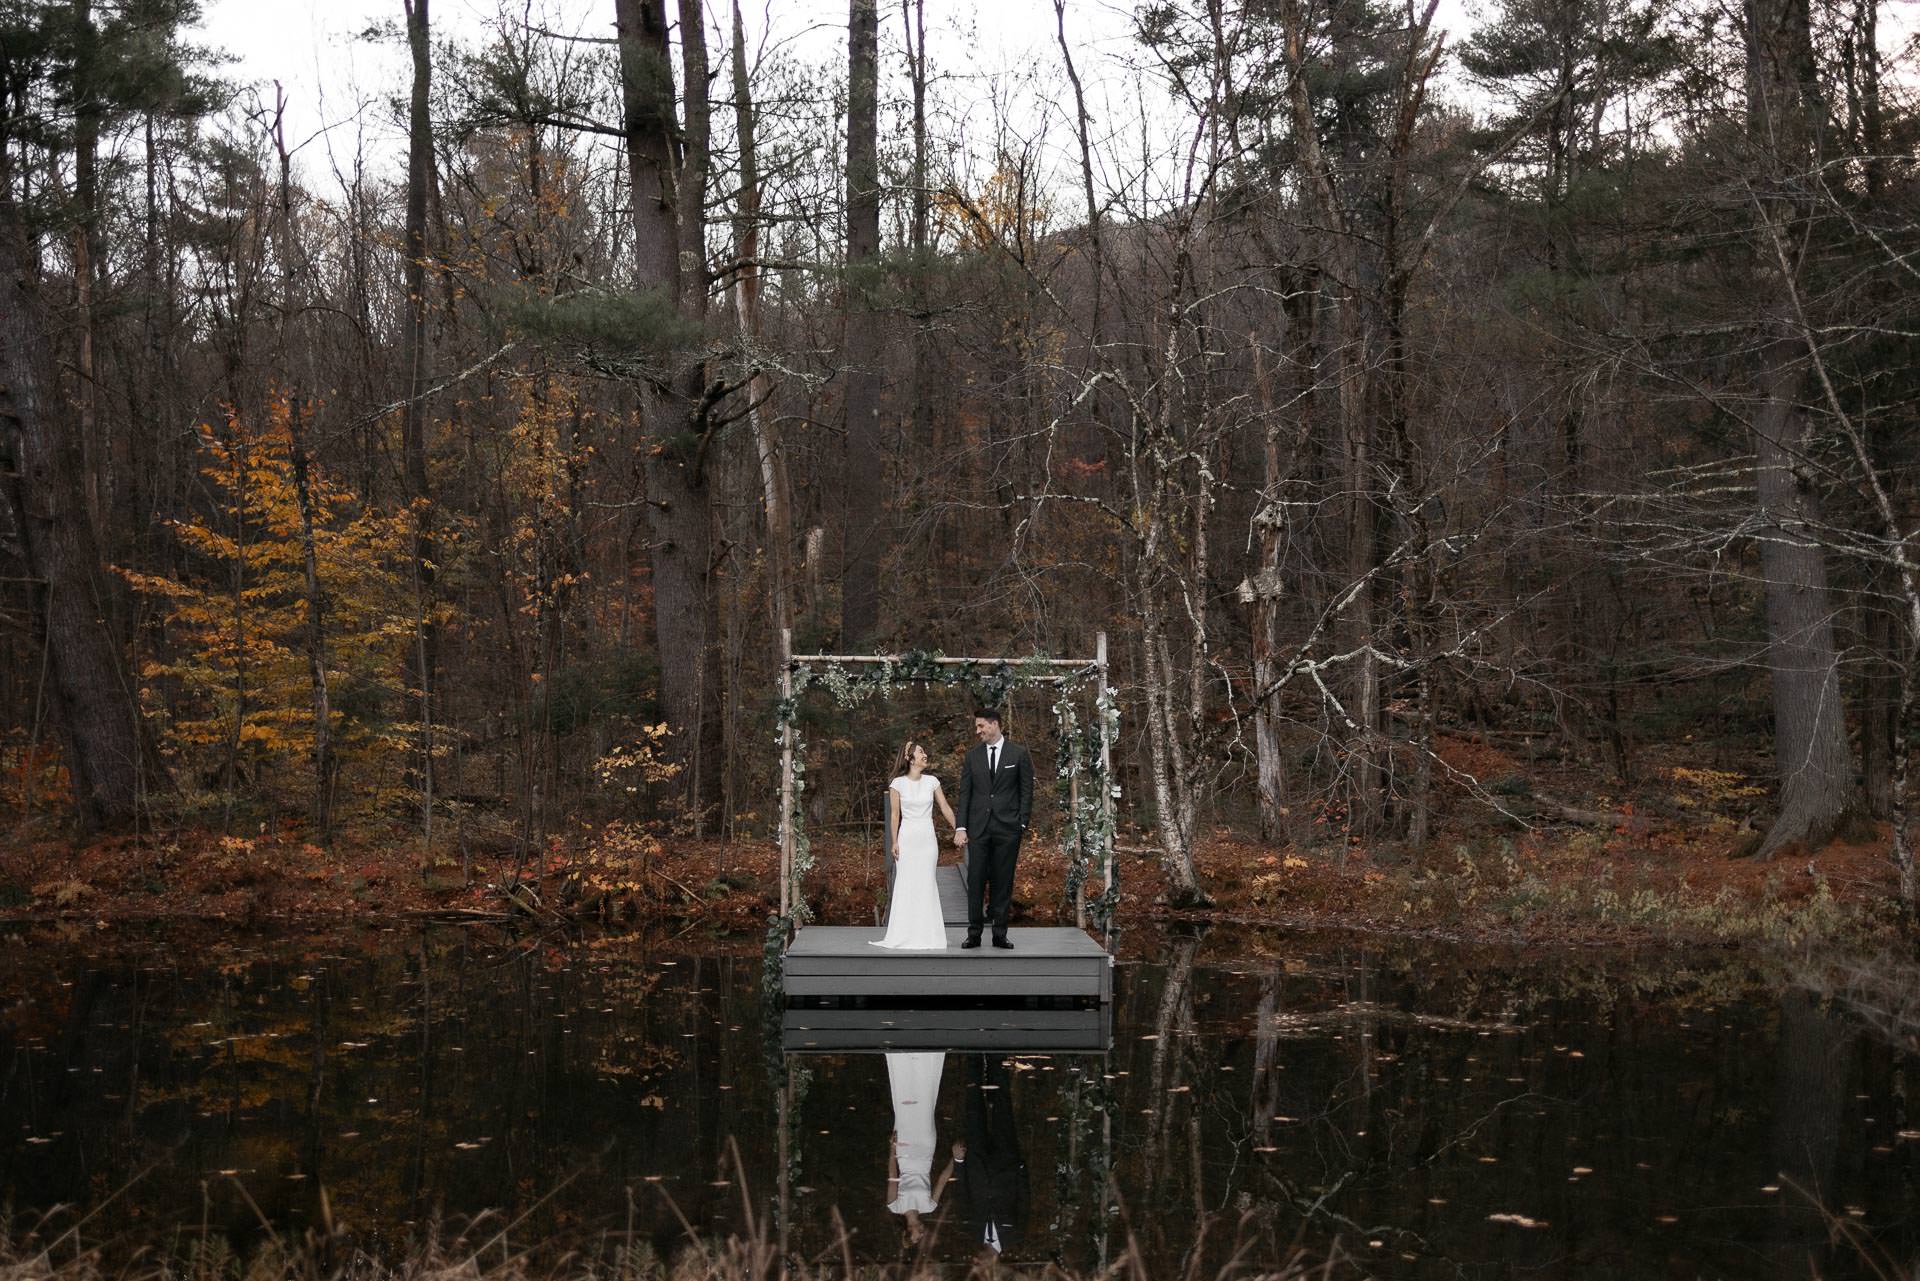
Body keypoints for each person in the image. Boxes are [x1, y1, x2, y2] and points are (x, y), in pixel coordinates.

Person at [952, 707, 1033, 950]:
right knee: (975, 879)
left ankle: (1000, 934)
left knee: (1003, 881)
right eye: (977, 727)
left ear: (994, 724)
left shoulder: (1018, 754)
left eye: (981, 726)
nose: (978, 731)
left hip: (1008, 829)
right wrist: (961, 827)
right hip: (978, 829)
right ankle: (974, 934)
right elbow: (965, 794)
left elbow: (1026, 791)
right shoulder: (972, 756)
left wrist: (1022, 822)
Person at [872, 740, 957, 950]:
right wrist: (894, 842)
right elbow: (895, 815)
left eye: (924, 751)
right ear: (910, 759)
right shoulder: (897, 784)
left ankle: (929, 935)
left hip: (927, 839)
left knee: (927, 883)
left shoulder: (932, 781)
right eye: (921, 752)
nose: (925, 754)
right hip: (907, 838)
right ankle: (904, 934)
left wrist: (959, 828)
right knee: (907, 884)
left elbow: (945, 807)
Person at [883, 1051, 959, 1248]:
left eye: (918, 1237)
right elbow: (942, 1179)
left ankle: (903, 1062)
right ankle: (926, 1061)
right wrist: (955, 1158)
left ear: (909, 1232)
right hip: (925, 1152)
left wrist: (892, 1148)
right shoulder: (929, 1206)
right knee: (925, 1107)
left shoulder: (895, 1206)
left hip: (905, 1155)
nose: (922, 1234)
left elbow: (892, 1176)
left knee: (905, 1109)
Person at [954, 1053, 1027, 1257]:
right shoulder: (1015, 1235)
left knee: (974, 1108)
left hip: (976, 1163)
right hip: (1006, 1164)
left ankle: (973, 1057)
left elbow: (963, 1194)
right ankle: (996, 1059)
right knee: (1002, 1107)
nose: (975, 1262)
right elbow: (1023, 1202)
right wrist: (1021, 1170)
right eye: (979, 1268)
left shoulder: (971, 1232)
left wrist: (959, 1161)